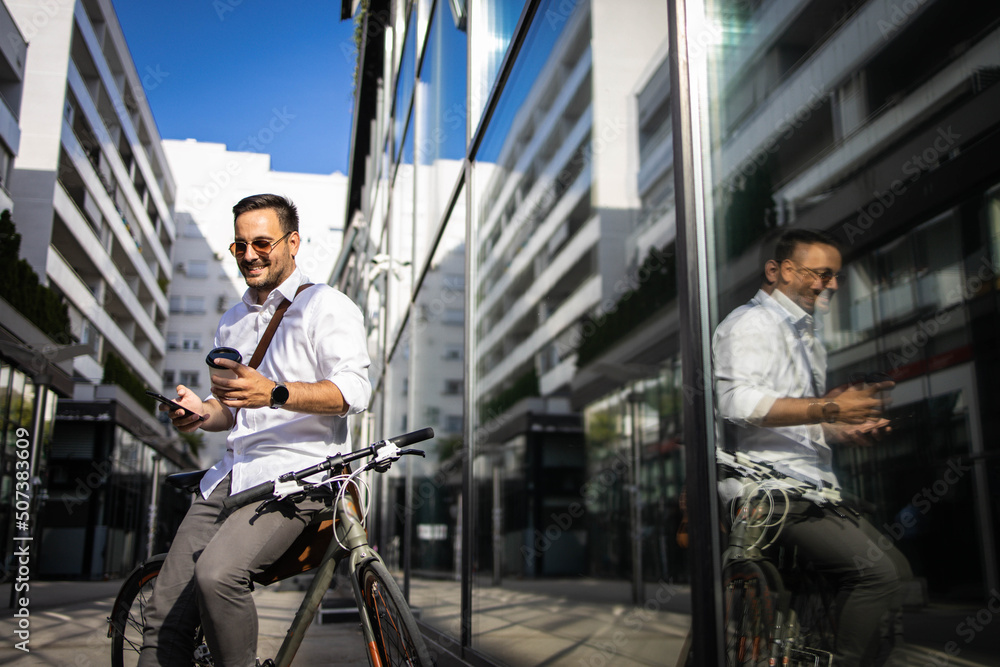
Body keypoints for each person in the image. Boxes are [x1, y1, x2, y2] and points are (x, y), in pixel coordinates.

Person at [138, 194, 372, 666]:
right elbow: (231, 408)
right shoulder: (234, 319)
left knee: (218, 576)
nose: (249, 254)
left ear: (292, 242)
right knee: (162, 618)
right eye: (239, 245)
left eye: (261, 242)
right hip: (227, 478)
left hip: (295, 478)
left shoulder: (327, 305)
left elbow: (353, 391)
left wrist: (276, 393)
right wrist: (200, 413)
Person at [712, 229, 910, 666]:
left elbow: (800, 422)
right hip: (770, 492)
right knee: (876, 575)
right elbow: (736, 402)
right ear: (779, 271)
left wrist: (842, 427)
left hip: (809, 486)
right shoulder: (750, 324)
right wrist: (833, 408)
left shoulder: (807, 340)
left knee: (897, 572)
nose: (833, 285)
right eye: (822, 274)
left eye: (835, 276)